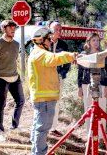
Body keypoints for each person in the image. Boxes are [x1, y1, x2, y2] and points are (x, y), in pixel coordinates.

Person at [28, 26, 77, 155]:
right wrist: (72, 55)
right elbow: (55, 58)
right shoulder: (41, 54)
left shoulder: (36, 52)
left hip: (42, 98)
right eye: (48, 39)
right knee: (42, 129)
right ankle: (39, 153)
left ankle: (36, 151)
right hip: (45, 100)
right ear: (41, 40)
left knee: (38, 127)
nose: (51, 42)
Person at [0, 20, 25, 142]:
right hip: (1, 78)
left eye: (14, 27)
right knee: (1, 104)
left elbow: (14, 60)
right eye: (10, 27)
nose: (13, 29)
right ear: (4, 29)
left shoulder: (16, 44)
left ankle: (14, 126)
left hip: (14, 77)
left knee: (20, 101)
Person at [77, 33, 107, 145]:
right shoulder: (83, 54)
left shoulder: (103, 54)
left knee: (101, 110)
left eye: (97, 40)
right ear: (89, 42)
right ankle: (90, 137)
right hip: (86, 85)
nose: (96, 43)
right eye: (93, 40)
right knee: (88, 110)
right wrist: (79, 87)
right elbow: (80, 72)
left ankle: (100, 138)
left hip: (101, 84)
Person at [48, 21, 71, 137]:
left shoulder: (63, 45)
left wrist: (62, 73)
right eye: (56, 29)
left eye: (60, 29)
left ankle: (53, 128)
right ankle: (44, 126)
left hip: (58, 78)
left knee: (56, 102)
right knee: (44, 102)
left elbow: (67, 62)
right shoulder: (43, 43)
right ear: (50, 29)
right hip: (44, 78)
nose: (59, 32)